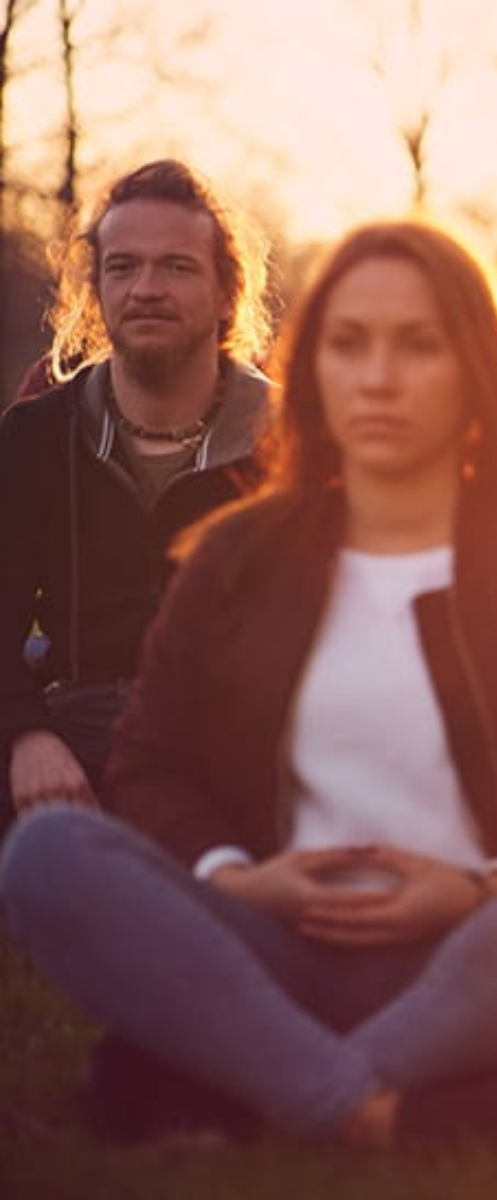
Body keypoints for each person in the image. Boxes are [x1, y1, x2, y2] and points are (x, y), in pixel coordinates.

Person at [0, 219, 497, 1148]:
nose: (378, 376)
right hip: (267, 944)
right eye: (349, 344)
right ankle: (388, 1109)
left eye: (418, 345)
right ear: (314, 374)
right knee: (51, 851)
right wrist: (242, 879)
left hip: (478, 951)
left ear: (476, 372)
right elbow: (148, 764)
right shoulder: (235, 558)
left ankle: (249, 1084)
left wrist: (484, 889)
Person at [0, 159, 272, 824]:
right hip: (75, 724)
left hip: (245, 739)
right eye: (122, 267)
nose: (145, 288)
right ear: (95, 290)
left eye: (177, 267)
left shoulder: (289, 441)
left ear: (227, 293)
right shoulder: (38, 436)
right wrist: (25, 737)